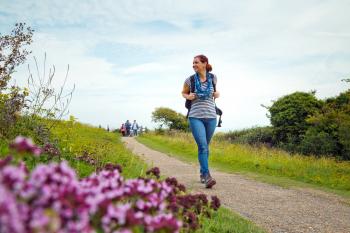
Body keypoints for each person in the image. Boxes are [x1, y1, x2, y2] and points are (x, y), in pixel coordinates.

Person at [181, 54, 220, 189]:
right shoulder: (190, 80)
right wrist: (188, 96)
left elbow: (215, 93)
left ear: (204, 63)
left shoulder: (213, 77)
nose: (194, 65)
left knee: (205, 146)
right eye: (193, 63)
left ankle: (202, 174)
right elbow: (183, 93)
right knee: (203, 146)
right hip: (195, 116)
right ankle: (207, 175)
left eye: (196, 62)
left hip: (211, 117)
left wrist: (217, 94)